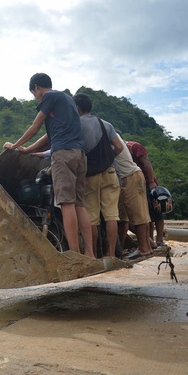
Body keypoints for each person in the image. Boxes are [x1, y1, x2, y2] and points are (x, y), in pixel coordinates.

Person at [4, 73, 94, 258]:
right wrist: (27, 150)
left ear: (36, 87)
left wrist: (14, 146)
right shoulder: (67, 100)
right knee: (79, 205)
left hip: (64, 155)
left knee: (66, 203)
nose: (36, 97)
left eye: (34, 93)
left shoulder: (50, 97)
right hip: (79, 154)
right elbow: (47, 137)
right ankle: (90, 254)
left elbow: (35, 127)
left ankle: (74, 254)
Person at [73, 93, 123, 258]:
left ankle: (93, 253)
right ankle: (111, 255)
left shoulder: (75, 124)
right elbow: (119, 147)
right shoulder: (105, 124)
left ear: (77, 108)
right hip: (110, 173)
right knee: (111, 215)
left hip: (90, 175)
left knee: (92, 218)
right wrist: (108, 159)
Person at [113, 133, 154, 259]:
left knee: (138, 214)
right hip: (123, 179)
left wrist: (152, 182)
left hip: (130, 176)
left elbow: (146, 162)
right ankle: (145, 246)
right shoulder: (109, 134)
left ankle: (144, 248)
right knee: (123, 217)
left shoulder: (108, 136)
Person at [127, 140, 166, 249]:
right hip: (137, 184)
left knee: (156, 212)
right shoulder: (124, 148)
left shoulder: (134, 147)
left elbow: (146, 162)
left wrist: (152, 182)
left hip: (148, 184)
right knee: (146, 214)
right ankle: (150, 240)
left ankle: (159, 240)